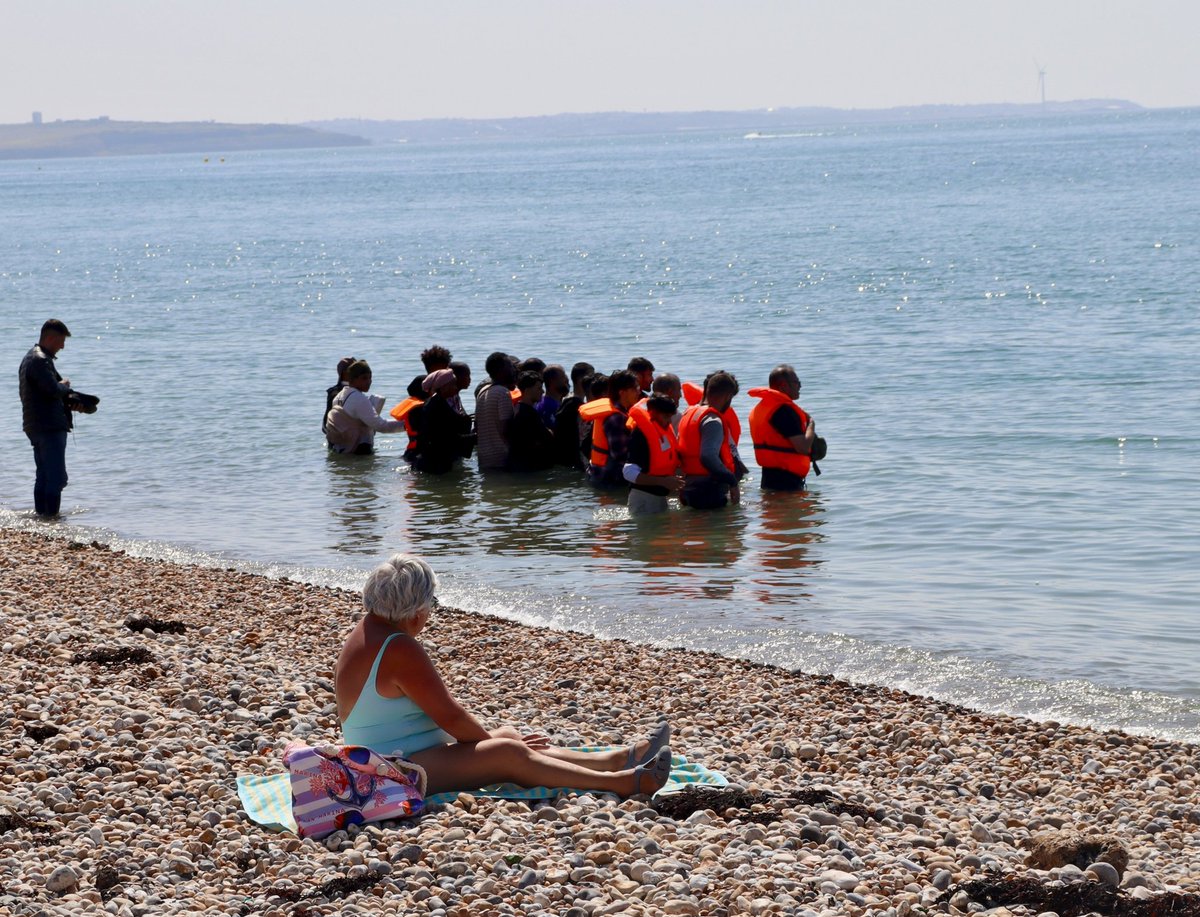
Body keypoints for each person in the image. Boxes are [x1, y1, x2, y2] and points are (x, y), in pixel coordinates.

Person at [335, 554, 673, 797]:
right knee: (507, 752)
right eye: (431, 605)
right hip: (391, 773)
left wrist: (499, 738)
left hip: (391, 758)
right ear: (414, 613)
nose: (430, 614)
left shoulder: (368, 631)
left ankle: (615, 759)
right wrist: (495, 744)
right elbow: (450, 716)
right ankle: (625, 782)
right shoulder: (399, 648)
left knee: (508, 738)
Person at [19, 319, 93, 518]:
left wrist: (74, 403)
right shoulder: (40, 359)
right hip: (48, 427)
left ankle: (42, 518)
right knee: (56, 477)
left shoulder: (30, 358)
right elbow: (53, 389)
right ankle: (51, 518)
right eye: (61, 341)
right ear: (50, 338)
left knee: (44, 475)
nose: (62, 346)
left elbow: (45, 394)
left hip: (36, 425)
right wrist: (66, 384)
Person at [677, 371, 744, 510]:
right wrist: (732, 482)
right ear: (728, 396)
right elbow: (707, 457)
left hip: (690, 487)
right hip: (709, 490)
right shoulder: (713, 420)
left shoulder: (688, 414)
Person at [748, 364, 818, 491]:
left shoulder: (763, 407)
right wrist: (811, 424)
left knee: (775, 510)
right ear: (783, 386)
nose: (800, 386)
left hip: (769, 477)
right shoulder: (784, 411)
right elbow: (803, 447)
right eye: (797, 382)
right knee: (789, 510)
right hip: (786, 482)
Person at [324, 361, 407, 455]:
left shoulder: (339, 397)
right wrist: (407, 424)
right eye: (364, 378)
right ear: (353, 379)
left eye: (370, 378)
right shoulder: (359, 398)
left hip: (342, 450)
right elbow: (381, 426)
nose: (369, 382)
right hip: (359, 451)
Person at [623, 395, 684, 514]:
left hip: (659, 498)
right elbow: (628, 473)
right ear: (652, 413)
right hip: (642, 499)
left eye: (671, 417)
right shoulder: (640, 434)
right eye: (666, 417)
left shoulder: (663, 430)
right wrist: (663, 481)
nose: (669, 421)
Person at [584, 370, 641, 488]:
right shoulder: (615, 418)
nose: (638, 391)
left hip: (598, 474)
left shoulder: (616, 410)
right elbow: (619, 454)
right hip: (610, 479)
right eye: (634, 388)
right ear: (622, 392)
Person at [412, 370, 474, 474]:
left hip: (436, 460)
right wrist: (474, 437)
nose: (456, 386)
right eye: (453, 384)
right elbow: (445, 437)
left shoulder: (442, 402)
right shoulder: (436, 407)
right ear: (443, 387)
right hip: (434, 463)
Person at [474, 352, 516, 471]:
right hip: (501, 458)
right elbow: (505, 429)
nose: (513, 369)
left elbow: (477, 426)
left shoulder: (482, 391)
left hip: (484, 459)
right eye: (510, 366)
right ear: (502, 370)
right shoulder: (503, 393)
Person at [508, 371, 556, 472]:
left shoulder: (516, 408)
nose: (542, 391)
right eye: (538, 388)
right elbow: (547, 437)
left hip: (518, 464)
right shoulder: (528, 413)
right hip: (529, 467)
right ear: (527, 390)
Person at [553, 361, 593, 469]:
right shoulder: (576, 405)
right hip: (573, 460)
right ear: (581, 380)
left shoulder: (566, 399)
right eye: (591, 378)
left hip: (564, 458)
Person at [324, 356, 356, 433]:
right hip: (340, 441)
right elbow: (325, 425)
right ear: (345, 374)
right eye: (355, 371)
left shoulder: (357, 391)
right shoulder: (335, 394)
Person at [536, 364, 568, 429]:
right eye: (562, 377)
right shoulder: (550, 406)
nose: (566, 380)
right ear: (552, 381)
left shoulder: (544, 400)